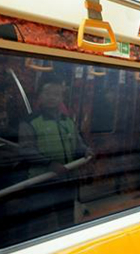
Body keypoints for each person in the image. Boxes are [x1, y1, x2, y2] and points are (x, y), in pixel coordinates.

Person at [18, 79, 91, 235]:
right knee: (40, 224)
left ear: (61, 99)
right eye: (48, 93)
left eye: (57, 94)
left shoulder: (68, 121)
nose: (52, 97)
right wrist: (49, 164)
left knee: (66, 222)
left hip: (66, 181)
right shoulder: (29, 122)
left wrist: (86, 151)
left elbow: (78, 144)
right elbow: (26, 150)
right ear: (40, 97)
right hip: (41, 183)